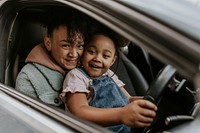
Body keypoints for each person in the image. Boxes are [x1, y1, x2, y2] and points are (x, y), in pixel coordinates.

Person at [60, 28, 157, 132]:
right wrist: (121, 114)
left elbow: (128, 99)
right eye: (91, 52)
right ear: (83, 53)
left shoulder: (109, 74)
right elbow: (80, 112)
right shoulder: (76, 76)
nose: (97, 58)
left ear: (113, 60)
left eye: (105, 56)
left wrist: (150, 102)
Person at [15, 8, 86, 108]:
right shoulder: (29, 77)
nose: (74, 54)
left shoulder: (89, 68)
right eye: (65, 45)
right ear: (48, 43)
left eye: (80, 46)